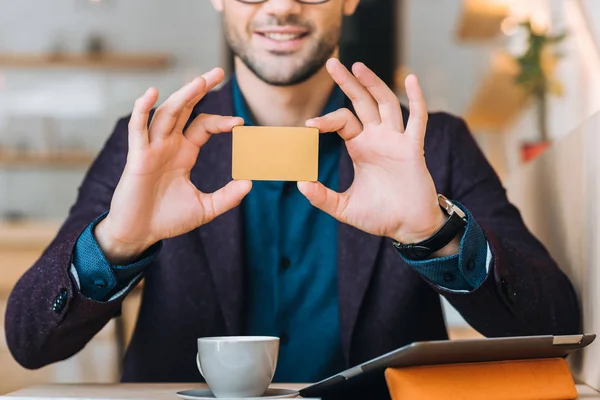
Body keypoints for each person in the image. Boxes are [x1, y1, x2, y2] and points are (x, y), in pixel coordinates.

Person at [6, 0, 579, 397]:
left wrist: (433, 233)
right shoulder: (150, 145)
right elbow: (31, 342)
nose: (280, 7)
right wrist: (118, 242)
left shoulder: (433, 142)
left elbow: (553, 325)